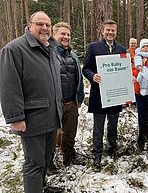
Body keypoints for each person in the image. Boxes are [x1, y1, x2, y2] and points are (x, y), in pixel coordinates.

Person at [0, 11, 63, 192]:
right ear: (30, 25)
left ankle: (41, 187)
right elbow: (8, 86)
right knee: (34, 163)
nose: (44, 28)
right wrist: (15, 117)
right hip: (32, 119)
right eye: (40, 24)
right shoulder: (14, 49)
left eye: (48, 25)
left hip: (52, 116)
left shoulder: (50, 48)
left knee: (45, 158)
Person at [82, 19, 127, 168]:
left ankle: (112, 149)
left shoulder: (121, 49)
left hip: (115, 94)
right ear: (102, 31)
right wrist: (92, 76)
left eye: (113, 30)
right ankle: (97, 154)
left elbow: (124, 70)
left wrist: (128, 79)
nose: (110, 33)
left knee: (113, 125)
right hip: (98, 94)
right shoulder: (93, 47)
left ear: (116, 32)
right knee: (98, 127)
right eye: (108, 30)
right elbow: (85, 68)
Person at [52, 22, 85, 167]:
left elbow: (79, 78)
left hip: (71, 102)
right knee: (51, 135)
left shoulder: (74, 56)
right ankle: (49, 162)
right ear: (54, 35)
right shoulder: (48, 54)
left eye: (68, 35)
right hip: (54, 104)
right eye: (62, 34)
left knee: (70, 133)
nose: (66, 37)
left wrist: (80, 97)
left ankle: (69, 156)